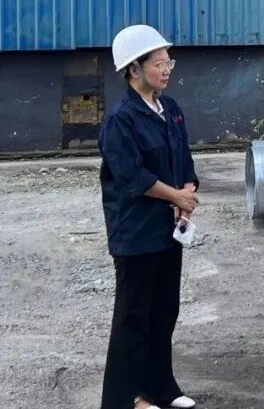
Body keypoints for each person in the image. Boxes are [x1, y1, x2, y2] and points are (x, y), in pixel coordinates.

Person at [99, 24, 200, 409]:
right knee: (133, 317)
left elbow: (184, 159)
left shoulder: (170, 110)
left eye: (168, 61)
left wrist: (187, 193)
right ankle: (128, 398)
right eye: (158, 63)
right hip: (136, 233)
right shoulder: (121, 119)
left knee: (164, 310)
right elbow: (132, 177)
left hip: (168, 230)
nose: (166, 69)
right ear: (133, 69)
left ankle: (162, 388)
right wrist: (175, 195)